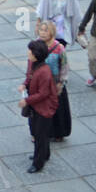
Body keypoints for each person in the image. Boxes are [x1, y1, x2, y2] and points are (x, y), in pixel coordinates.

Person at [19, 39, 59, 173]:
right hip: (39, 107)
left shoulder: (44, 72)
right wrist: (25, 84)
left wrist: (27, 100)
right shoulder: (35, 65)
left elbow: (43, 93)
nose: (28, 52)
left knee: (40, 135)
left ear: (35, 54)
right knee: (41, 134)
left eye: (30, 50)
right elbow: (29, 77)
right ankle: (44, 154)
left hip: (43, 108)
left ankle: (38, 162)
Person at [37, 20, 73, 141]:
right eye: (41, 30)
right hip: (41, 83)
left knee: (58, 110)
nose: (42, 33)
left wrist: (61, 82)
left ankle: (59, 133)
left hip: (55, 83)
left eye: (45, 30)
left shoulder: (59, 48)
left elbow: (64, 66)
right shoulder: (36, 45)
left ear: (52, 32)